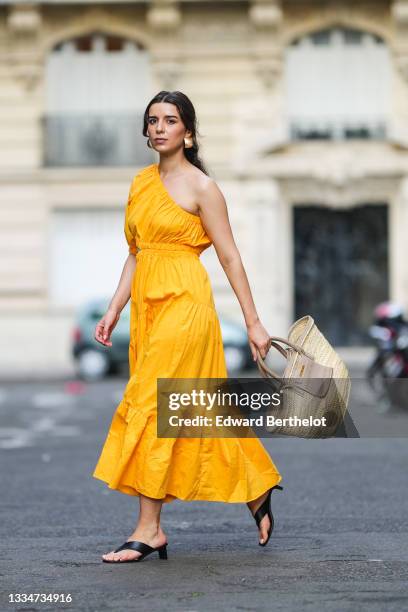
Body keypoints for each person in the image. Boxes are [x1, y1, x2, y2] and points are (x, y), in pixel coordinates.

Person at [92, 90, 283, 563]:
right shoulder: (139, 184)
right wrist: (115, 307)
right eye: (152, 120)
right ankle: (257, 488)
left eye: (170, 120)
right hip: (147, 310)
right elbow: (136, 253)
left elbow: (230, 256)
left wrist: (254, 323)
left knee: (154, 405)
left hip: (186, 306)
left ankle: (149, 529)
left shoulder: (203, 188)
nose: (159, 127)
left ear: (188, 132)